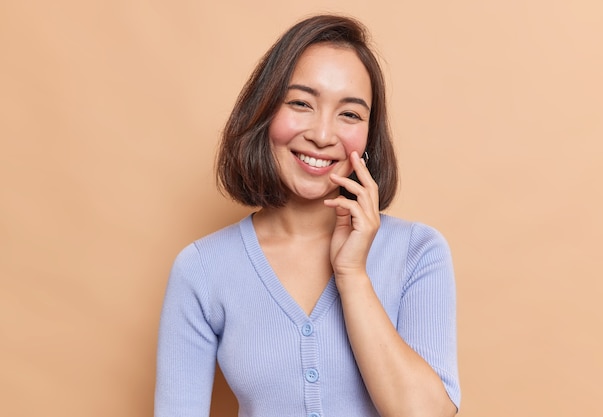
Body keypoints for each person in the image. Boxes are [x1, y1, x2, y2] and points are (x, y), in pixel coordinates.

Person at [155, 14, 460, 417]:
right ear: (264, 112)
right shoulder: (202, 269)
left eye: (349, 114)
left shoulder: (418, 253)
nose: (321, 134)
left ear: (369, 136)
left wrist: (352, 275)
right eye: (301, 103)